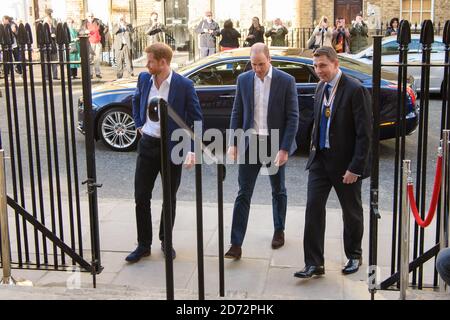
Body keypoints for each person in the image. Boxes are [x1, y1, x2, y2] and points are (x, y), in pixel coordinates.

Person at [294, 46, 372, 279]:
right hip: (320, 161)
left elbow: (365, 134)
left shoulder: (355, 90)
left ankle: (354, 255)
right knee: (313, 209)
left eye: (323, 66)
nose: (319, 71)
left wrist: (355, 168)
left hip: (345, 165)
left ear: (336, 64)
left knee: (351, 212)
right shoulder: (320, 87)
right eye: (316, 66)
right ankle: (314, 263)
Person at [126, 42, 203, 263]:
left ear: (163, 62)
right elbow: (136, 99)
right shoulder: (144, 79)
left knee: (169, 198)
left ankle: (165, 241)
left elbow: (197, 118)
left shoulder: (184, 85)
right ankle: (143, 245)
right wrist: (139, 122)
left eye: (150, 61)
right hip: (148, 144)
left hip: (173, 147)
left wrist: (193, 149)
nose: (146, 64)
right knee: (141, 196)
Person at [224, 43, 299, 260]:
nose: (257, 69)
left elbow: (293, 117)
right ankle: (236, 244)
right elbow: (237, 111)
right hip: (250, 143)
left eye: (261, 64)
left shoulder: (286, 81)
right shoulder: (244, 79)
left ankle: (279, 230)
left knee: (278, 190)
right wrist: (233, 142)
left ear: (270, 60)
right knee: (243, 192)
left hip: (275, 143)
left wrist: (285, 148)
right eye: (253, 64)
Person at [80, 12, 103, 78]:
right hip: (90, 42)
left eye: (92, 16)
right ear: (87, 17)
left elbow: (104, 28)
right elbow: (80, 32)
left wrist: (100, 37)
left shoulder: (97, 22)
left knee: (97, 59)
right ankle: (90, 74)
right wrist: (85, 32)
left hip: (98, 42)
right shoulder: (84, 23)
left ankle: (98, 73)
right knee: (90, 59)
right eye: (89, 16)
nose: (91, 17)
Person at [113, 14, 134, 79]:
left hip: (126, 45)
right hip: (119, 46)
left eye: (122, 18)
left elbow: (132, 31)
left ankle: (130, 74)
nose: (121, 19)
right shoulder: (116, 25)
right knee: (119, 61)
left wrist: (125, 27)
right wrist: (119, 26)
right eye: (120, 18)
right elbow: (113, 32)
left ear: (124, 18)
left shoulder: (128, 25)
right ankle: (119, 75)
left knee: (128, 60)